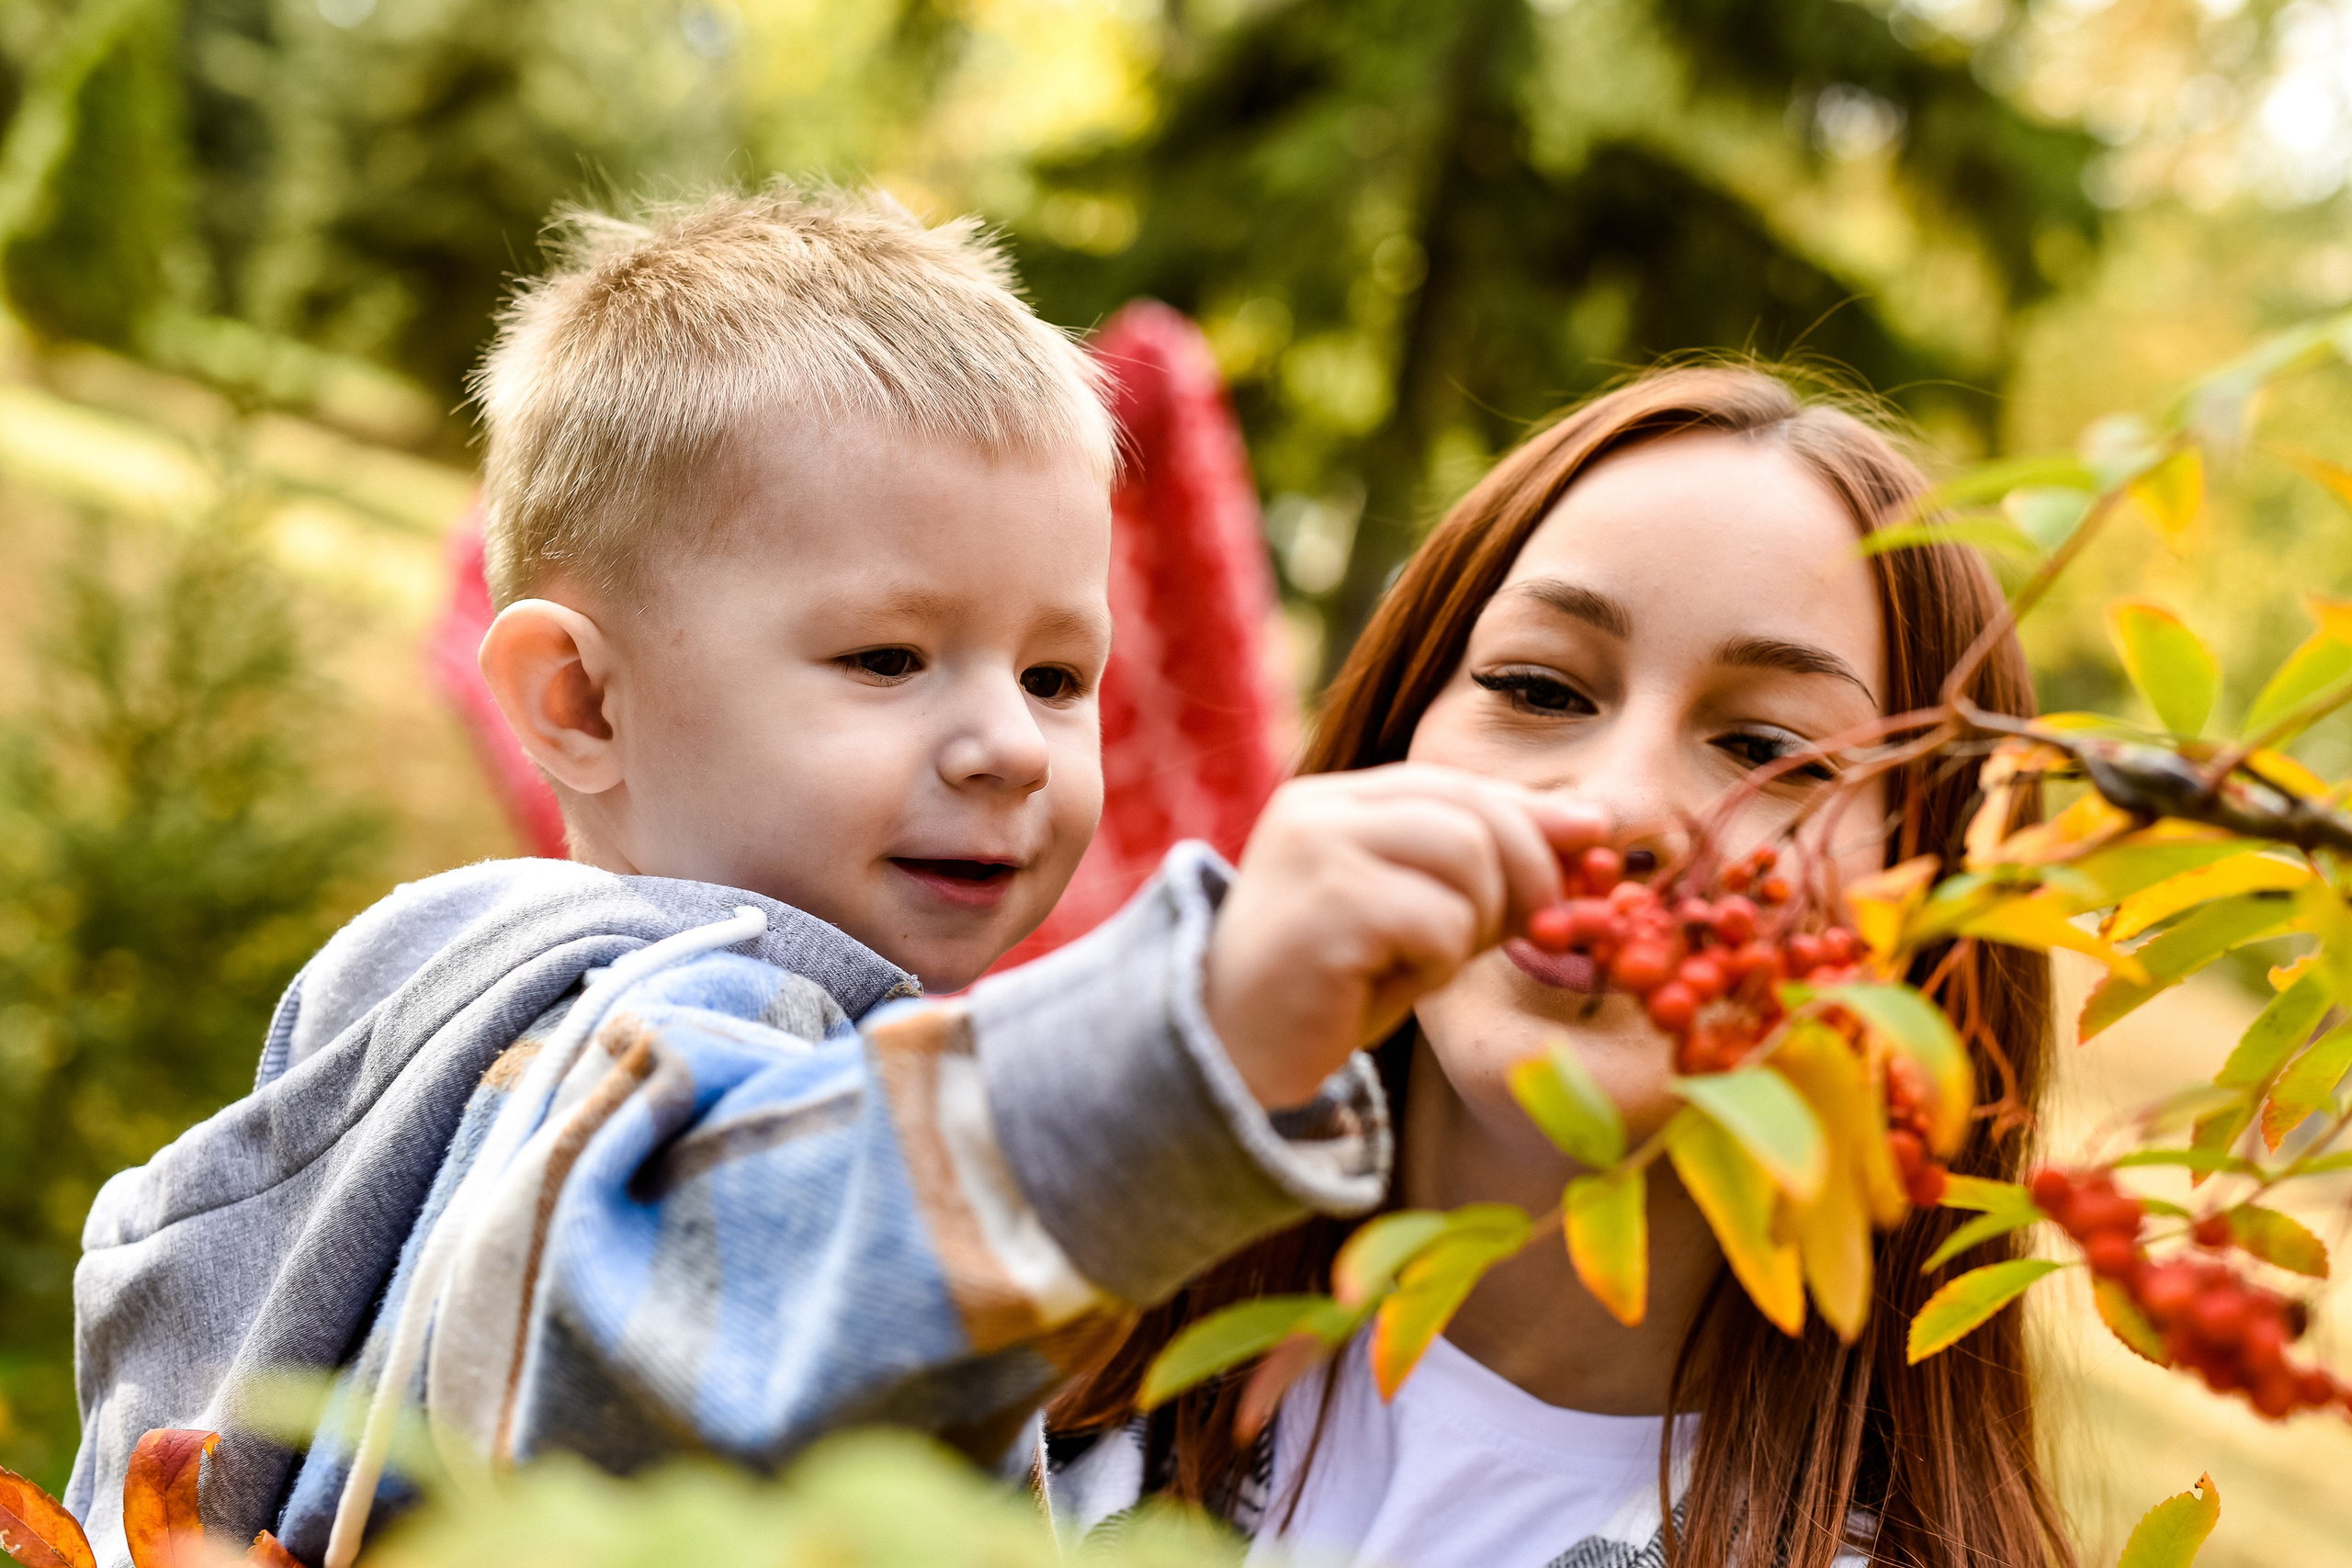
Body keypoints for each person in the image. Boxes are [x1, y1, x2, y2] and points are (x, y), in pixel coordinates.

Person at [63, 185, 1606, 1568]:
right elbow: (663, 1332)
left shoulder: (425, 976)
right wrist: (1191, 1036)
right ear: (582, 705)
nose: (1007, 743)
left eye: (1061, 677)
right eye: (889, 658)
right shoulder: (698, 1018)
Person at [1047, 365, 2076, 1568]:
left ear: (1933, 900)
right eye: (1539, 688)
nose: (1617, 806)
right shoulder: (1006, 1299)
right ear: (1392, 738)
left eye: (1769, 749)